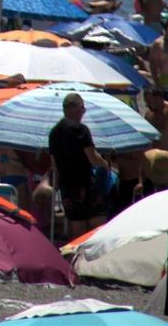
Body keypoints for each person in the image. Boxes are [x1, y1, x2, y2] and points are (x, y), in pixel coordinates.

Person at [48, 93, 108, 238]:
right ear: (78, 107)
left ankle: (75, 258)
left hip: (66, 186)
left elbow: (54, 165)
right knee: (98, 222)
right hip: (84, 183)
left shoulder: (54, 132)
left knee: (77, 226)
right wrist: (106, 165)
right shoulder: (80, 129)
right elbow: (93, 158)